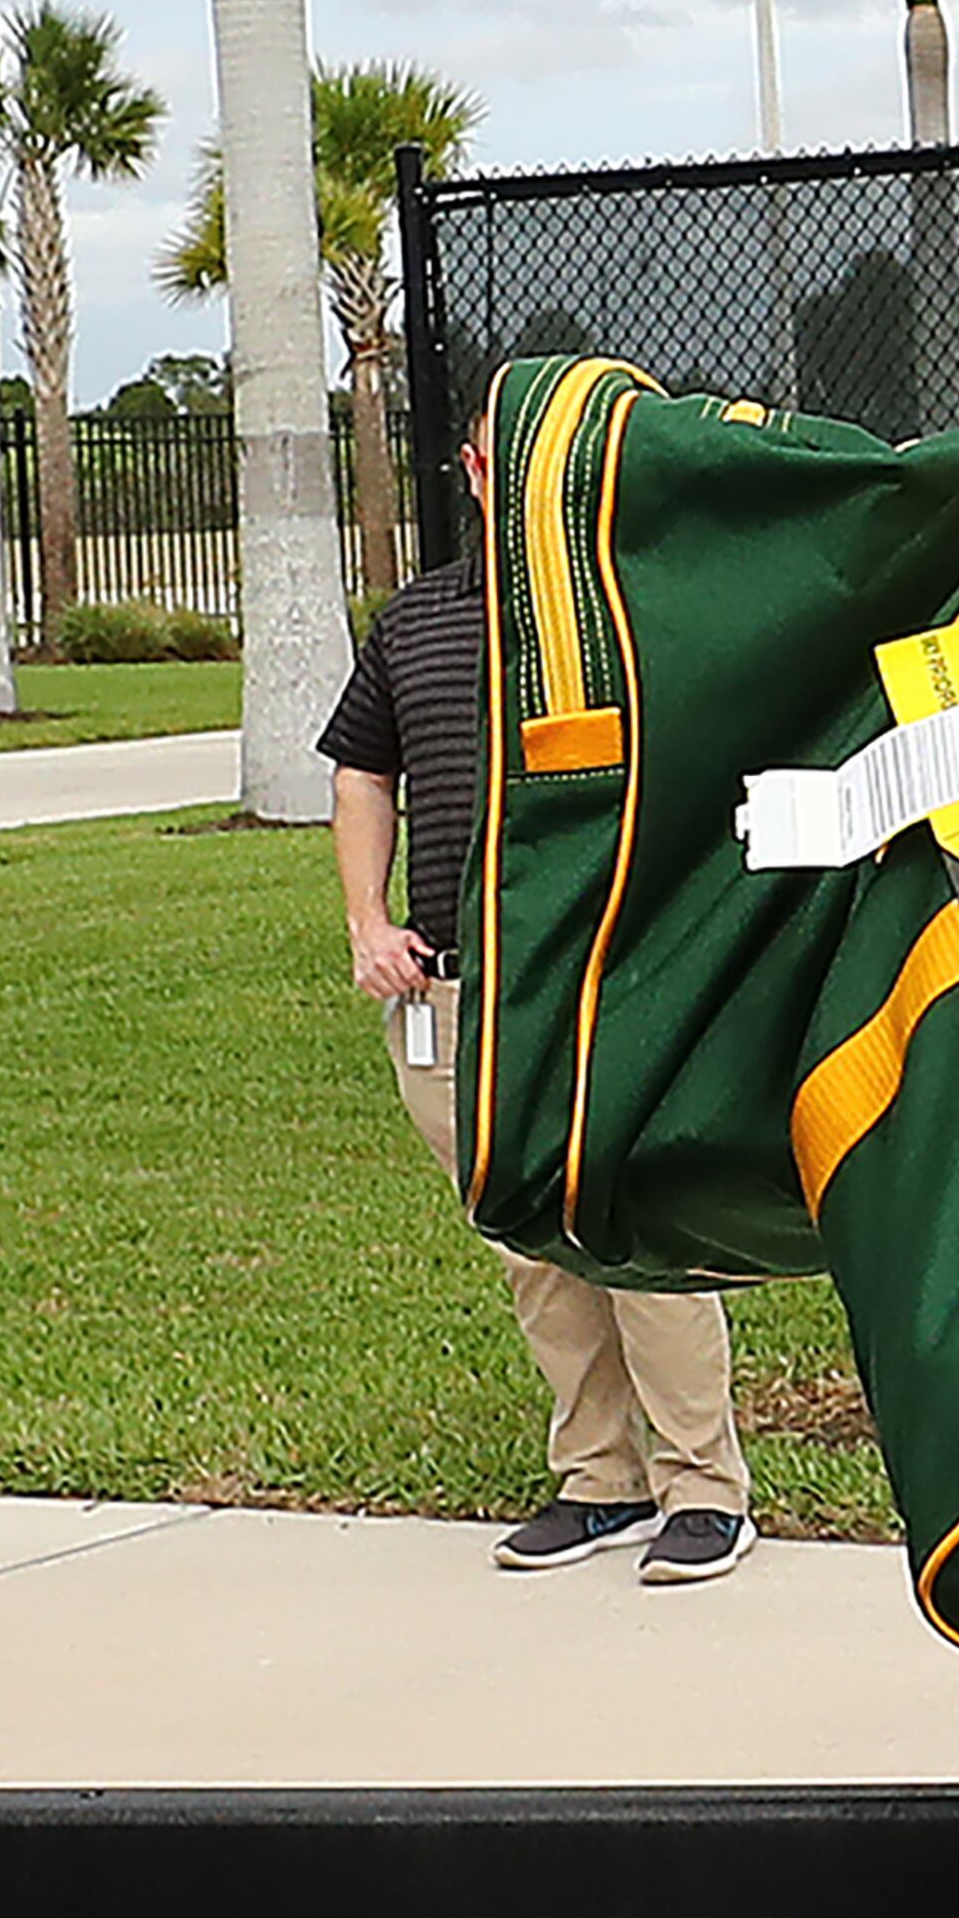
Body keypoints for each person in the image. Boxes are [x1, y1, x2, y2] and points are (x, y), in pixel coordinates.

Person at [322, 399, 756, 1585]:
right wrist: (368, 921)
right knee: (527, 1234)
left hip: (595, 983)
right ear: (473, 469)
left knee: (629, 1219)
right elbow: (365, 772)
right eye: (497, 456)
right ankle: (600, 1479)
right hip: (450, 991)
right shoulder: (416, 621)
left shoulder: (635, 608)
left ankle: (704, 1488)